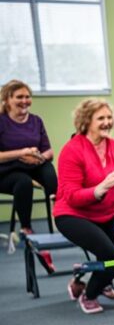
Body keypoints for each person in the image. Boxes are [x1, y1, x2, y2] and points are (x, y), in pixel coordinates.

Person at [55, 99, 114, 315]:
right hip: (73, 215)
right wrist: (99, 189)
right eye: (101, 118)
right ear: (86, 121)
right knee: (113, 260)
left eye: (109, 118)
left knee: (113, 258)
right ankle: (88, 294)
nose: (107, 122)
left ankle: (84, 279)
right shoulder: (72, 150)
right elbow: (71, 196)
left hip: (106, 214)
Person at [0, 80, 57, 244]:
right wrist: (21, 153)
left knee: (49, 171)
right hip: (6, 172)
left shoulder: (36, 121)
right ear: (7, 99)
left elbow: (49, 151)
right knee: (23, 182)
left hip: (32, 164)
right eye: (19, 97)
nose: (24, 101)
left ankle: (60, 217)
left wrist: (39, 158)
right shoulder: (2, 121)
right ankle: (26, 228)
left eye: (27, 96)